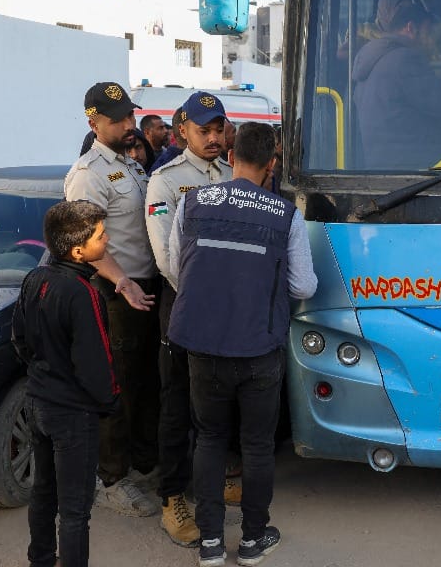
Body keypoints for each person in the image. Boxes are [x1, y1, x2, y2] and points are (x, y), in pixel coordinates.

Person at [168, 122, 317, 567]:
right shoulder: (285, 215)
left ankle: (211, 543)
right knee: (256, 445)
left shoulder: (192, 202)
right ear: (272, 164)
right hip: (259, 350)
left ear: (230, 157)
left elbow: (178, 269)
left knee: (209, 439)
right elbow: (303, 286)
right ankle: (253, 540)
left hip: (203, 345)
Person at [144, 92, 237, 547]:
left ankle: (211, 481)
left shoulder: (232, 177)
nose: (214, 138)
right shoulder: (166, 182)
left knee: (216, 400)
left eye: (219, 129)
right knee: (177, 405)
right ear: (182, 131)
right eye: (205, 130)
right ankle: (172, 498)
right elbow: (167, 258)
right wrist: (209, 295)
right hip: (183, 305)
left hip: (225, 306)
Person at [65, 81, 160, 517]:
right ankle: (112, 478)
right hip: (115, 291)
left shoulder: (132, 166)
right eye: (118, 119)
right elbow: (85, 242)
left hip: (145, 287)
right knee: (116, 387)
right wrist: (123, 281)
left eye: (130, 115)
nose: (129, 124)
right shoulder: (88, 173)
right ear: (94, 123)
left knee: (145, 382)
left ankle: (143, 465)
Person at [13, 200, 121, 567]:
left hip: (38, 402)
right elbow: (96, 363)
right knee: (75, 510)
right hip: (73, 414)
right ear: (78, 251)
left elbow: (19, 339)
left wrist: (43, 372)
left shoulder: (34, 279)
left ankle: (41, 559)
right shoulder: (84, 293)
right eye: (101, 236)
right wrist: (109, 401)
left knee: (44, 492)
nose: (107, 240)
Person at [354, 2, 441, 169]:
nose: (429, 40)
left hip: (380, 160)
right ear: (411, 28)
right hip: (412, 162)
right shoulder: (405, 59)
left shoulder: (371, 56)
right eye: (427, 32)